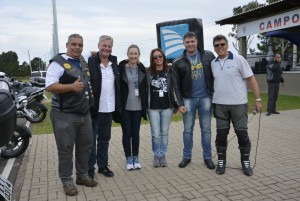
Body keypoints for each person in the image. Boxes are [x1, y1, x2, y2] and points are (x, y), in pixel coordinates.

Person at [46, 33, 97, 196]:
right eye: (73, 44)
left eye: (80, 45)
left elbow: (95, 53)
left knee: (86, 146)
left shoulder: (83, 59)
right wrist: (71, 87)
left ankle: (82, 175)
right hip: (64, 114)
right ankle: (67, 181)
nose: (77, 47)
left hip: (84, 113)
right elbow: (50, 86)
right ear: (67, 45)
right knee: (66, 150)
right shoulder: (57, 64)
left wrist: (105, 53)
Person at [211, 34, 263, 176]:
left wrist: (257, 100)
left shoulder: (239, 59)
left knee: (242, 134)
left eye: (222, 44)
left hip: (238, 105)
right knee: (221, 135)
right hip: (220, 105)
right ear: (214, 48)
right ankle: (221, 162)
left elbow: (251, 79)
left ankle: (245, 163)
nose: (220, 47)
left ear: (227, 45)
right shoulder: (213, 63)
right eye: (217, 45)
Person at [172, 31, 216, 170]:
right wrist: (179, 104)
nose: (190, 44)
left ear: (197, 42)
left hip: (206, 98)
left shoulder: (208, 55)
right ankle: (186, 157)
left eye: (192, 41)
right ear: (183, 44)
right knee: (187, 130)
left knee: (206, 130)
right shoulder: (178, 61)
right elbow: (175, 85)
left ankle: (208, 157)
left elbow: (216, 76)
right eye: (187, 42)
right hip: (188, 100)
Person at [88, 35, 122, 178]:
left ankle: (103, 166)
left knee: (104, 140)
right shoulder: (91, 62)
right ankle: (89, 168)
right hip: (94, 110)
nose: (107, 48)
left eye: (109, 46)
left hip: (109, 109)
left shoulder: (114, 62)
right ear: (98, 46)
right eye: (104, 46)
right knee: (91, 141)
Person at [148, 48, 179, 167]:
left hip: (167, 107)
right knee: (155, 133)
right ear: (152, 59)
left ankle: (163, 155)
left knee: (164, 133)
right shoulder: (148, 73)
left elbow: (175, 88)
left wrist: (177, 105)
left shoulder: (170, 71)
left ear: (164, 57)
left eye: (160, 56)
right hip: (153, 108)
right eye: (155, 57)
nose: (158, 59)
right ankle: (156, 156)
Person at [118, 44, 147, 171]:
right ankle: (128, 158)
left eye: (135, 54)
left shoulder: (142, 70)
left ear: (139, 55)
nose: (133, 56)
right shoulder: (122, 68)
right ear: (127, 55)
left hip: (138, 107)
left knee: (135, 133)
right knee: (127, 133)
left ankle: (136, 157)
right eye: (131, 54)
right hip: (126, 107)